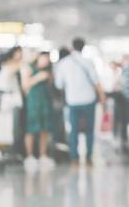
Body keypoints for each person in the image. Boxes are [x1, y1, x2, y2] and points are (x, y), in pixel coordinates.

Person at [55, 37, 106, 167]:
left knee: (74, 130)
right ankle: (88, 158)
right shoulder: (89, 62)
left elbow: (59, 85)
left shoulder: (63, 63)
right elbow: (96, 82)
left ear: (72, 47)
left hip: (72, 101)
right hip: (89, 100)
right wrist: (102, 98)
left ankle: (74, 159)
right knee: (89, 130)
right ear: (84, 47)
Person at [20, 52, 55, 171]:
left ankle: (43, 155)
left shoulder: (48, 72)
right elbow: (25, 86)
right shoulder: (29, 69)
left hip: (45, 103)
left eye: (47, 59)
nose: (45, 60)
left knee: (44, 129)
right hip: (33, 103)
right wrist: (38, 77)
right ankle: (29, 156)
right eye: (43, 57)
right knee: (31, 129)